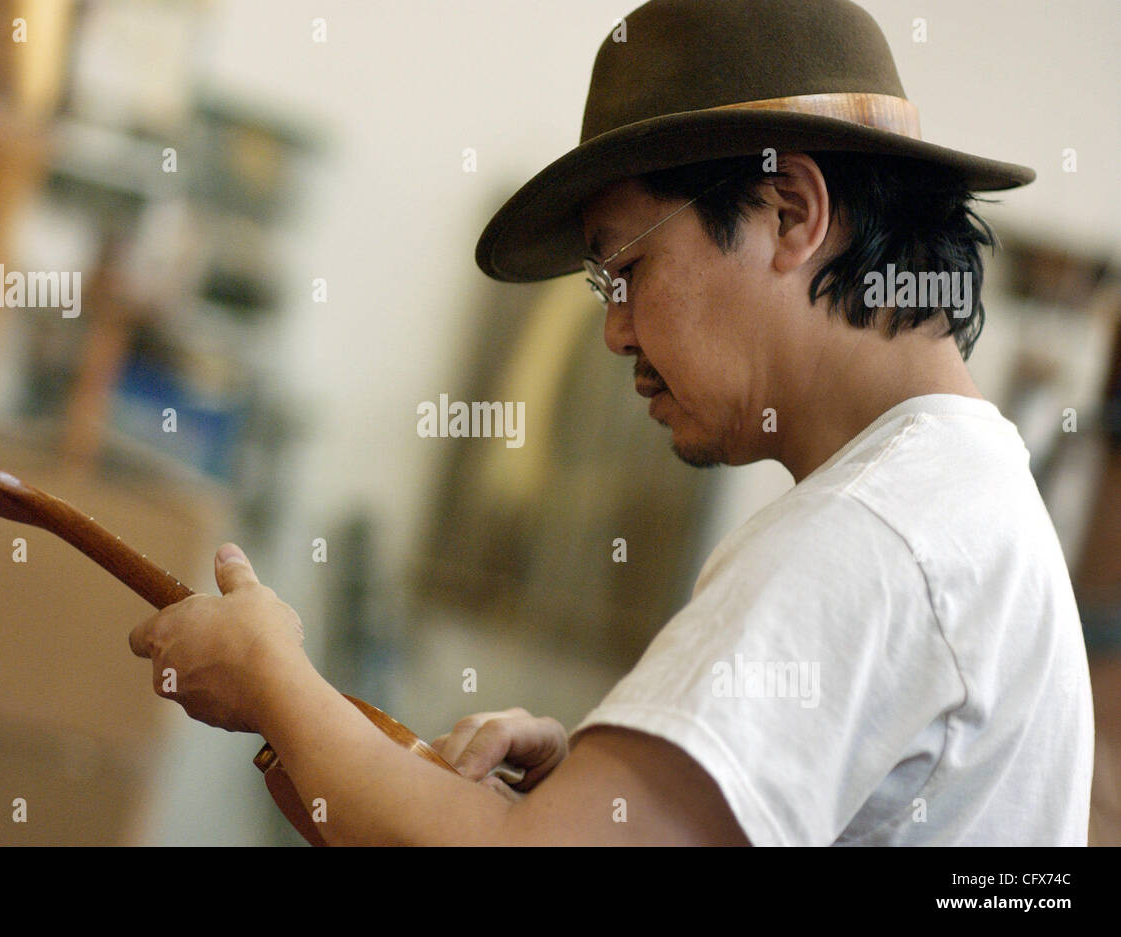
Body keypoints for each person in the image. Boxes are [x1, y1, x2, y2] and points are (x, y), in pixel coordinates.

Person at [129, 0, 1093, 845]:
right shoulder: (956, 500)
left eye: (623, 266)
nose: (612, 329)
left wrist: (271, 683)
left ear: (790, 209)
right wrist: (614, 782)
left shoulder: (876, 533)